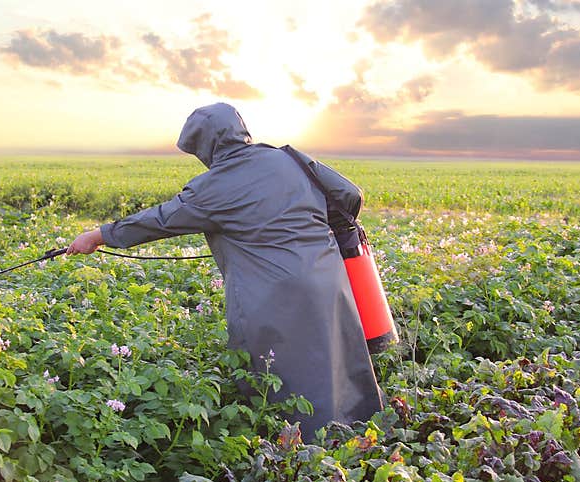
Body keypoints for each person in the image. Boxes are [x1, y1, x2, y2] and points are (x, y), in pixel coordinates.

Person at [67, 102, 383, 440]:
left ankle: (303, 452)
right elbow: (348, 194)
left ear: (205, 144)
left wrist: (99, 236)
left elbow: (159, 220)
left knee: (284, 376)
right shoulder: (289, 158)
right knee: (338, 359)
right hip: (328, 276)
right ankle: (363, 436)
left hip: (273, 295)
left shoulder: (211, 187)